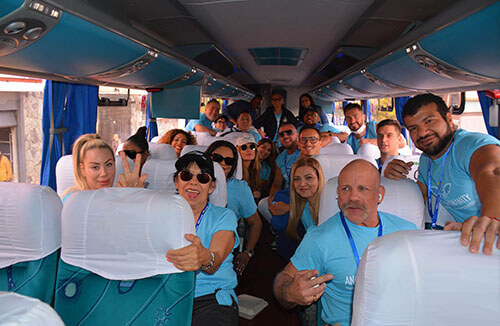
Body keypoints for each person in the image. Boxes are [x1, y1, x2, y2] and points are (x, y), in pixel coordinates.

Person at [273, 159, 417, 326]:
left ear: (380, 194)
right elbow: (282, 280)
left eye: (363, 189)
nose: (353, 197)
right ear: (338, 194)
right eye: (346, 189)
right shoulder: (319, 238)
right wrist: (290, 292)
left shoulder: (407, 232)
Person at [383, 93, 500, 255]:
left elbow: (493, 171)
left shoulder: (471, 145)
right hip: (464, 240)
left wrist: (493, 220)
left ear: (449, 119)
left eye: (429, 121)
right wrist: (393, 178)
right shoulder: (426, 161)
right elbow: (419, 198)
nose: (422, 133)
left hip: (490, 237)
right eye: (413, 128)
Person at [166, 151, 239, 325]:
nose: (193, 182)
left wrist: (204, 257)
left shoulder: (223, 216)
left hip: (208, 297)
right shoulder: (160, 213)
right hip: (166, 293)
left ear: (212, 186)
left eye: (203, 178)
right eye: (186, 175)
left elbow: (215, 261)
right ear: (177, 182)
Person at [205, 141, 262, 276]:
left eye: (229, 160)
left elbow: (256, 223)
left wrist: (247, 252)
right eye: (217, 158)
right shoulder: (193, 181)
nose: (222, 163)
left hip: (222, 246)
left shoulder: (240, 188)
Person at [61, 134, 146, 201]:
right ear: (82, 169)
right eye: (95, 167)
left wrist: (133, 198)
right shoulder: (71, 200)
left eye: (108, 164)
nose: (104, 173)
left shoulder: (119, 197)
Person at [288, 157, 325, 238]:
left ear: (319, 179)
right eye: (297, 179)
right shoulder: (304, 209)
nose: (302, 184)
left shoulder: (331, 206)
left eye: (308, 177)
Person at [236, 134, 261, 199]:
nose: (248, 150)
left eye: (252, 147)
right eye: (244, 147)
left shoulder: (255, 169)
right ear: (238, 150)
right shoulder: (236, 172)